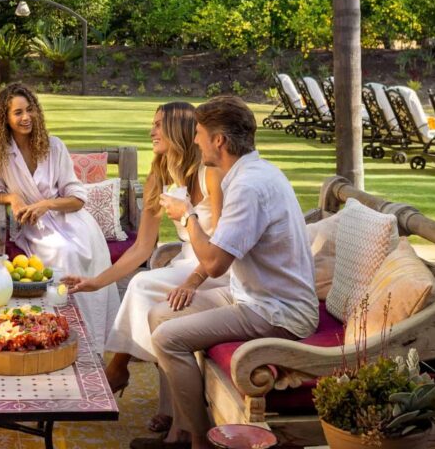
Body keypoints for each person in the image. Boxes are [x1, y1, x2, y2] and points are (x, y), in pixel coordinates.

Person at [130, 96, 319, 449]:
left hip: (277, 310)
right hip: (249, 294)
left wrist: (187, 215)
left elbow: (216, 261)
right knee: (160, 314)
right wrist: (192, 280)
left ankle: (200, 441)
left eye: (200, 133)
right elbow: (224, 254)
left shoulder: (248, 186)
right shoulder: (250, 173)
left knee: (168, 339)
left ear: (219, 140)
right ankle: (182, 430)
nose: (196, 140)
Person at [65, 102, 223, 433]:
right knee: (155, 301)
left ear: (179, 129)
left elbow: (224, 245)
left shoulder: (211, 175)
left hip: (216, 269)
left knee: (143, 286)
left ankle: (118, 366)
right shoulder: (160, 175)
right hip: (184, 261)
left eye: (158, 125)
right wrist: (96, 281)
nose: (151, 131)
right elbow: (141, 247)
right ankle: (170, 408)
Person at [0, 82, 119, 352]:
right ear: (5, 119)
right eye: (18, 112)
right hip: (33, 227)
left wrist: (46, 204)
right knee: (60, 252)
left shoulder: (54, 146)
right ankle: (53, 327)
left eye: (30, 110)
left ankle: (83, 333)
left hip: (69, 220)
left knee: (68, 251)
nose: (26, 117)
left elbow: (78, 197)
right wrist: (13, 198)